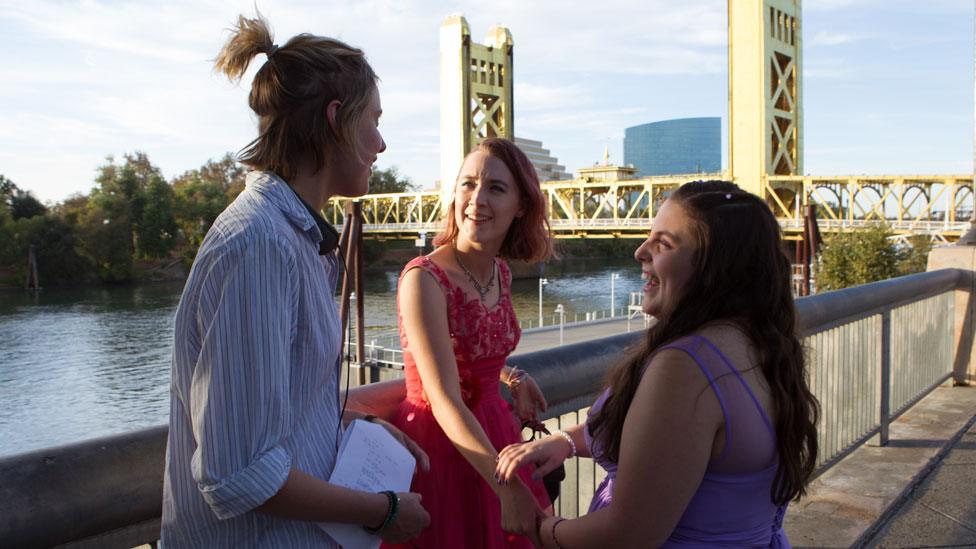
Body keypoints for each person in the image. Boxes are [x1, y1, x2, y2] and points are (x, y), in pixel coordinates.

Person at [161, 14, 430, 547]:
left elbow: (269, 407)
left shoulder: (293, 238)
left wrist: (345, 423)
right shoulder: (259, 245)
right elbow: (238, 473)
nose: (381, 143)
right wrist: (382, 510)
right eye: (372, 120)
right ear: (336, 121)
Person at [496, 181, 820, 547]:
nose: (639, 252)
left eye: (663, 244)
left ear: (717, 265)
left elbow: (627, 535)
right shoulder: (760, 345)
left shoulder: (687, 368)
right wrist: (565, 442)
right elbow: (668, 448)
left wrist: (542, 530)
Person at [382, 138, 554, 548]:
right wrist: (508, 489)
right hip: (442, 444)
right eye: (468, 184)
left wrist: (511, 376)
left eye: (496, 188)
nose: (477, 199)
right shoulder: (424, 279)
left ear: (521, 206)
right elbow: (443, 398)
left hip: (495, 431)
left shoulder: (501, 273)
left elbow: (472, 354)